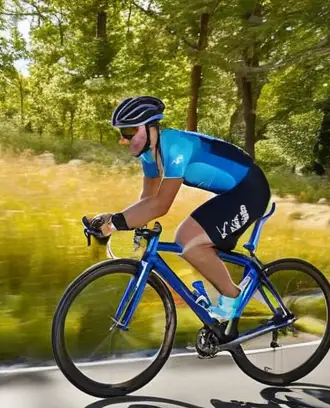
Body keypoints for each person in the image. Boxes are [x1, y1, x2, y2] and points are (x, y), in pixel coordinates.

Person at [89, 95, 271, 325]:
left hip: (250, 190)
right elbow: (147, 200)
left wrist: (114, 222)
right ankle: (229, 300)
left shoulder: (175, 145)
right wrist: (121, 224)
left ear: (150, 127)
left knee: (192, 245)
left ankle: (232, 300)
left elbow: (161, 205)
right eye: (122, 134)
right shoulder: (149, 156)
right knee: (184, 239)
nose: (124, 140)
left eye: (129, 132)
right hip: (232, 193)